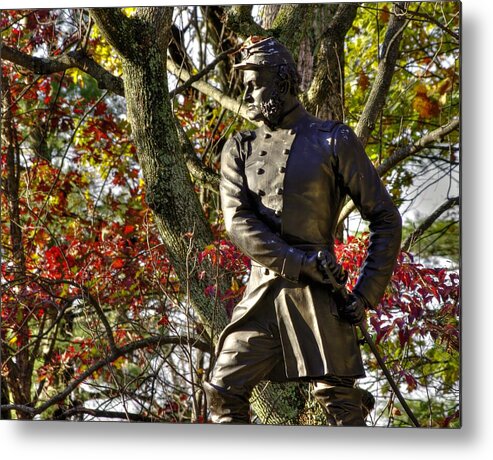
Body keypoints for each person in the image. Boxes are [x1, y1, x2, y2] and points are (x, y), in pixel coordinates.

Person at [203, 37, 402, 426]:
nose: (248, 93)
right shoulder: (239, 147)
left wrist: (364, 295)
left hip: (321, 297)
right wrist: (300, 263)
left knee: (342, 407)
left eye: (255, 82)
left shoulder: (333, 139)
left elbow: (385, 219)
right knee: (223, 392)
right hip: (263, 294)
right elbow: (237, 223)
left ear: (281, 80)